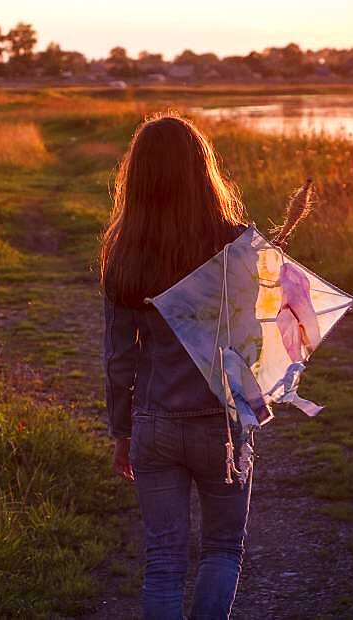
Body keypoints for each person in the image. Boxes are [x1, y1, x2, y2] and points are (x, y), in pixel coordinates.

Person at [100, 114, 252, 619]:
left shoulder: (125, 252)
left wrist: (122, 431)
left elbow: (119, 357)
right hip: (220, 425)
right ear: (201, 171)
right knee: (222, 549)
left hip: (154, 420)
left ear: (137, 177)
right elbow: (257, 334)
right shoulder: (233, 244)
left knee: (163, 561)